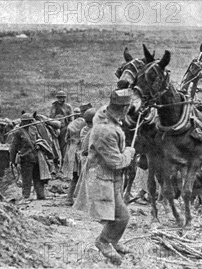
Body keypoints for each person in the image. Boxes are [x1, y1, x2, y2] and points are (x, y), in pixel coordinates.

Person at [73, 89, 136, 265]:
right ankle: (104, 241)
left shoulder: (105, 113)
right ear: (124, 108)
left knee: (116, 213)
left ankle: (113, 240)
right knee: (121, 216)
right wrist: (129, 153)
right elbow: (115, 162)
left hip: (110, 177)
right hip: (101, 177)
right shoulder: (105, 131)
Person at [9, 113, 53, 203]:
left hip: (36, 157)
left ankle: (40, 195)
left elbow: (39, 139)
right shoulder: (18, 132)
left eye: (30, 121)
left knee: (38, 177)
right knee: (27, 178)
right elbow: (13, 147)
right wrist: (12, 160)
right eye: (27, 121)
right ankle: (26, 196)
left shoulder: (33, 128)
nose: (29, 123)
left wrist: (39, 145)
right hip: (25, 158)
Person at [68, 107, 96, 205]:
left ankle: (71, 199)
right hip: (85, 157)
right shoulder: (87, 130)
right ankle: (74, 199)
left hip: (80, 155)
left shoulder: (84, 128)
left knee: (78, 178)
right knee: (82, 178)